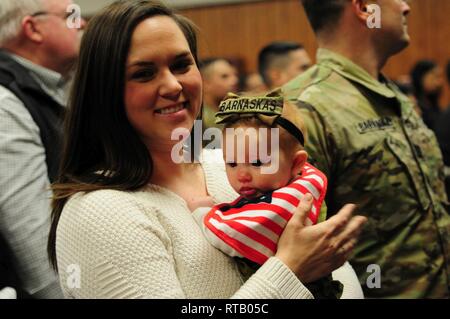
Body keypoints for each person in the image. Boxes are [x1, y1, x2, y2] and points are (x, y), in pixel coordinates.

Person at [47, 0, 366, 299]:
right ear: (104, 92)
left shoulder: (234, 166)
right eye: (144, 73)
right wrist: (289, 270)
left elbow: (332, 267)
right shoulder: (100, 212)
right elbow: (300, 261)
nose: (173, 86)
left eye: (182, 65)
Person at [283, 0, 450, 298]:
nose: (406, 7)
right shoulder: (303, 108)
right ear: (363, 8)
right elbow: (294, 262)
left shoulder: (390, 94)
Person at [191, 92, 363, 298]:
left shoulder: (292, 201)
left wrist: (203, 213)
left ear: (297, 163)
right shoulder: (301, 180)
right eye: (231, 163)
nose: (242, 175)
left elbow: (236, 231)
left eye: (257, 163)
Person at [0, 0, 85, 298]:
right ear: (32, 28)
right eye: (71, 16)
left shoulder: (49, 88)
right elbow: (33, 239)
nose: (83, 23)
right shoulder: (4, 103)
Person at [200, 57, 239, 131]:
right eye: (225, 76)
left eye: (235, 75)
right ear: (205, 83)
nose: (235, 80)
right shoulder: (200, 119)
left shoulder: (233, 112)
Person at [410, 60, 445, 132]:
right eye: (435, 76)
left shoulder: (431, 101)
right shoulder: (411, 101)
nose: (439, 82)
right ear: (421, 76)